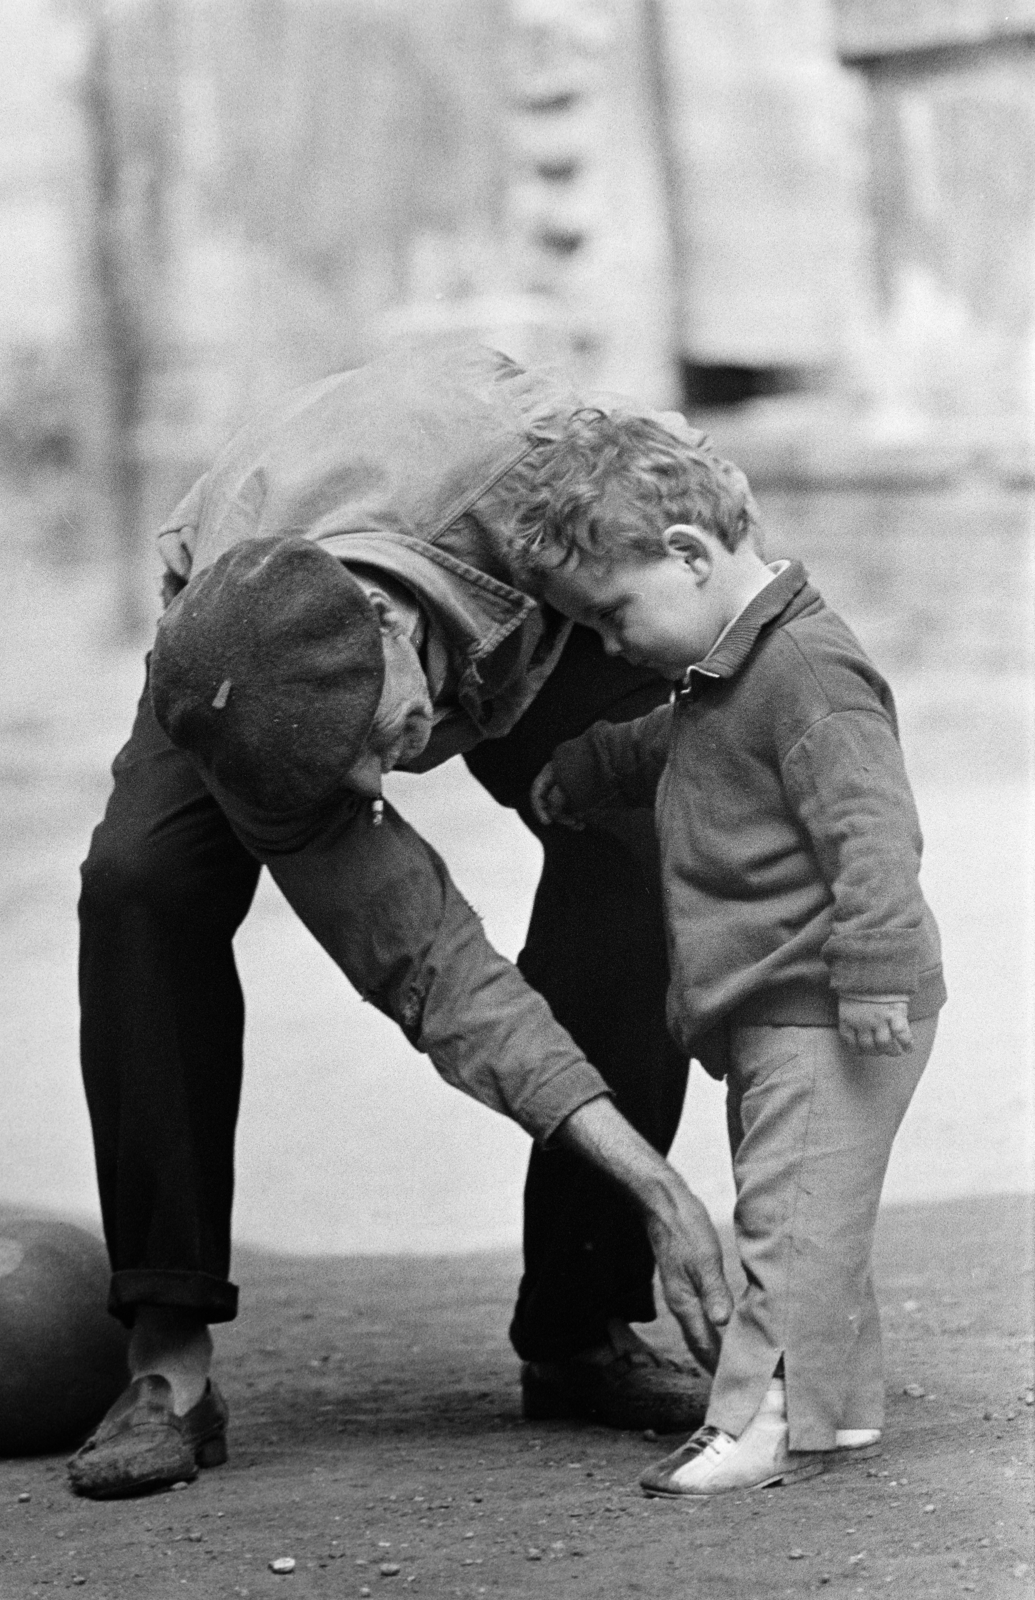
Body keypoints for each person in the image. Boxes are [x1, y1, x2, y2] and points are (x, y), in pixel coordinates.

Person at [68, 340, 736, 1500]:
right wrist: (658, 1182)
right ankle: (165, 1359)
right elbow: (432, 967)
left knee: (639, 848)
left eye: (381, 746)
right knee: (140, 886)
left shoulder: (546, 498)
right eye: (355, 776)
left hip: (491, 548)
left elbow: (714, 553)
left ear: (390, 636)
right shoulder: (249, 689)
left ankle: (580, 1325)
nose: (384, 792)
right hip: (245, 616)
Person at [526, 413, 946, 1497]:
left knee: (783, 1220)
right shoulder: (724, 673)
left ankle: (758, 1417)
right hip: (773, 1005)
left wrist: (868, 975)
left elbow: (873, 830)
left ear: (687, 554)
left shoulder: (805, 669)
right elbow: (666, 745)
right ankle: (833, 1415)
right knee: (816, 1218)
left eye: (613, 616)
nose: (610, 646)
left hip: (829, 999)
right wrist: (582, 770)